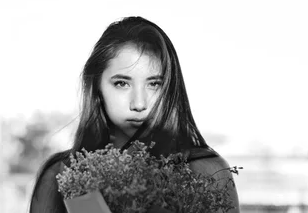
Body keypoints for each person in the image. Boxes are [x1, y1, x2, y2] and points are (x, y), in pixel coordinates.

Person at [29, 16, 239, 213]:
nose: (139, 103)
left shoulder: (204, 171)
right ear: (96, 87)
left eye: (154, 84)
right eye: (122, 83)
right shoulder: (60, 175)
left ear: (170, 88)